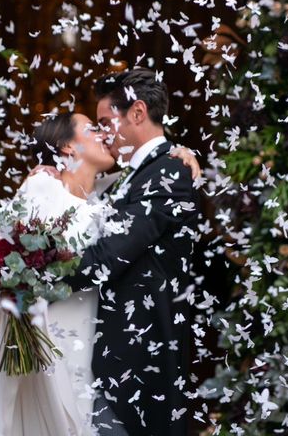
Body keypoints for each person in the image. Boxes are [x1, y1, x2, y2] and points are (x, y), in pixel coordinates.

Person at [0, 105, 199, 436]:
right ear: (67, 147)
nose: (104, 134)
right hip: (49, 348)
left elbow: (148, 169)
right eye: (93, 128)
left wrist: (178, 151)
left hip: (90, 349)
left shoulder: (108, 196)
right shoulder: (42, 188)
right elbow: (19, 266)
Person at [66, 68, 200, 436]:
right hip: (111, 356)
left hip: (140, 362)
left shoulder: (168, 174)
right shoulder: (132, 175)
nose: (102, 133)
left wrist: (37, 272)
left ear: (137, 113)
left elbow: (108, 258)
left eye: (105, 122)